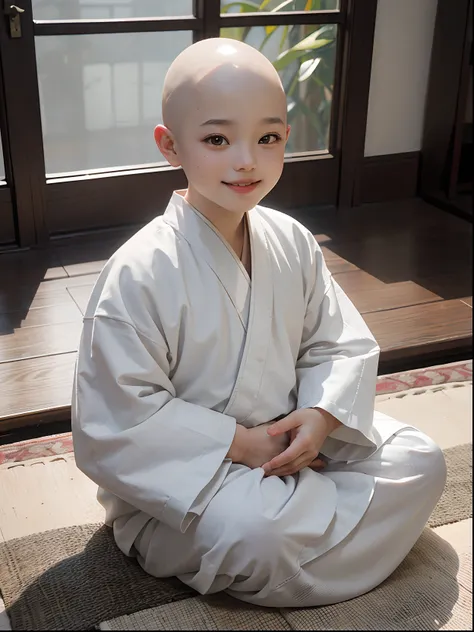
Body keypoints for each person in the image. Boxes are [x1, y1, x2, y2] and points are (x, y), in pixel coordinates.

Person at [72, 37, 446, 608]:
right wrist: (240, 445)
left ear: (285, 140)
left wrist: (320, 418)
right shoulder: (140, 271)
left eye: (266, 137)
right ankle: (305, 538)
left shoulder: (290, 239)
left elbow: (336, 344)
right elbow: (118, 421)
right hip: (197, 480)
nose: (245, 160)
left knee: (420, 460)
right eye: (217, 139)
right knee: (259, 535)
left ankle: (306, 536)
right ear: (171, 145)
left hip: (296, 446)